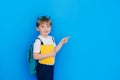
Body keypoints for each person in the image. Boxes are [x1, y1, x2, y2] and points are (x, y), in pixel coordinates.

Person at [33, 16, 70, 80]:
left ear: (51, 27)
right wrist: (50, 55)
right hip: (42, 67)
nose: (46, 29)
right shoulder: (38, 40)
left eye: (48, 26)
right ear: (37, 28)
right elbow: (35, 56)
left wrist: (61, 42)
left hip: (51, 66)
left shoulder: (51, 38)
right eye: (42, 27)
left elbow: (55, 51)